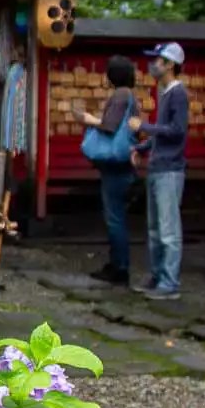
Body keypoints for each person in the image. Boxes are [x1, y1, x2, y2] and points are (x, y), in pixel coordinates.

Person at [78, 55, 141, 285]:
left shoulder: (120, 95)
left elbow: (108, 127)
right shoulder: (131, 97)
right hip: (125, 165)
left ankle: (119, 268)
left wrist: (89, 119)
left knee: (114, 218)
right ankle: (118, 265)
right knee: (118, 217)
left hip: (115, 167)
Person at [136, 41, 190, 299]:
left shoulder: (177, 94)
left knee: (168, 230)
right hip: (158, 166)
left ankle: (170, 283)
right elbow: (163, 133)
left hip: (170, 169)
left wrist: (145, 127)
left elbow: (177, 131)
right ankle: (157, 276)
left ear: (169, 64)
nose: (153, 65)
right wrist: (143, 146)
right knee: (155, 229)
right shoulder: (165, 92)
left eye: (158, 60)